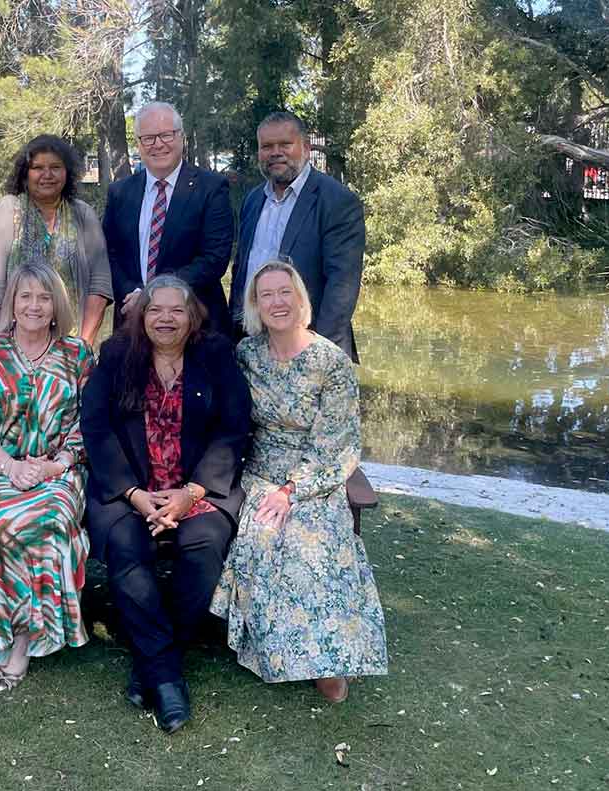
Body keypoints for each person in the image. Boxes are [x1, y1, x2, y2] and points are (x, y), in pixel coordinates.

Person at [79, 275, 252, 733]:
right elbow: (95, 427)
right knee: (125, 547)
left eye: (177, 310)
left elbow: (234, 429)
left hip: (196, 490)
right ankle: (168, 676)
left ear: (192, 315)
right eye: (156, 309)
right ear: (142, 314)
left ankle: (152, 665)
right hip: (130, 491)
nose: (165, 318)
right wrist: (135, 495)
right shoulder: (118, 354)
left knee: (204, 546)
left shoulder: (215, 355)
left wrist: (191, 493)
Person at [210, 260, 387, 702]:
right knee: (269, 538)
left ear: (300, 298)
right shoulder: (247, 355)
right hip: (261, 473)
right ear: (255, 305)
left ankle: (330, 659)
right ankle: (278, 653)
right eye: (265, 295)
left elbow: (339, 445)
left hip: (316, 475)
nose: (276, 302)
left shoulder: (330, 361)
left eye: (284, 292)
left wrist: (294, 490)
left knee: (316, 544)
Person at [0, 264, 95, 693]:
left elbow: (88, 425)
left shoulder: (78, 355)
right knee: (2, 516)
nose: (34, 305)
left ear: (56, 306)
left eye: (44, 297)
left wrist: (52, 466)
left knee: (47, 513)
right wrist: (10, 467)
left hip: (61, 470)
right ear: (12, 305)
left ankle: (17, 642)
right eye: (25, 297)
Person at [228, 112, 366, 360]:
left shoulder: (337, 201)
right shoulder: (253, 200)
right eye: (267, 146)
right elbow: (241, 271)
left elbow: (342, 286)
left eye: (285, 144)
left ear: (305, 147)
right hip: (251, 346)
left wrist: (316, 355)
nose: (275, 152)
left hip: (309, 346)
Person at [102, 102, 235, 335]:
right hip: (132, 323)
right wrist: (133, 295)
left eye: (166, 135)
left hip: (194, 325)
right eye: (149, 138)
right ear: (139, 144)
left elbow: (214, 259)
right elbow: (109, 254)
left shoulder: (211, 188)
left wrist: (152, 296)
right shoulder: (120, 192)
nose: (158, 144)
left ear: (181, 137)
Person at [0, 134, 113, 347]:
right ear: (25, 174)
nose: (47, 175)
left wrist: (81, 348)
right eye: (38, 168)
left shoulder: (83, 215)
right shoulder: (8, 209)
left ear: (67, 172)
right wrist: (12, 351)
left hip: (71, 347)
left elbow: (99, 288)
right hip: (12, 350)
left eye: (56, 167)